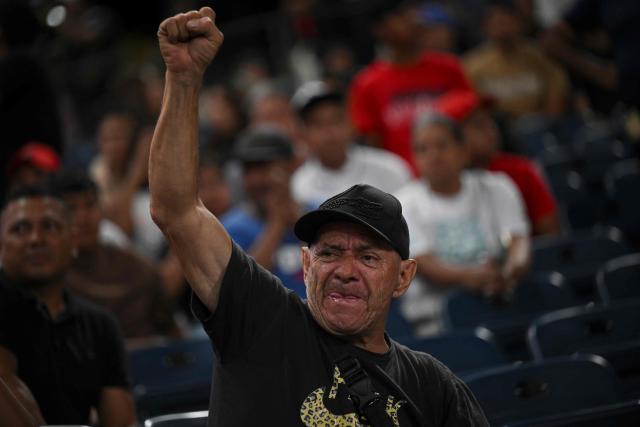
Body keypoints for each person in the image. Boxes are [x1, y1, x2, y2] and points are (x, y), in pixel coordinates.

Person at [149, 7, 489, 426]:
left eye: (367, 257)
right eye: (329, 253)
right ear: (307, 263)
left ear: (403, 277)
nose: (345, 270)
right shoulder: (261, 320)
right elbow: (176, 210)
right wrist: (183, 81)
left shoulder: (434, 386)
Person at [0, 185, 136, 426]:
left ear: (73, 242)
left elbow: (121, 423)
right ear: (1, 246)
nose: (36, 239)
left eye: (50, 226)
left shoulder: (99, 325)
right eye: (20, 229)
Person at [395, 112, 531, 335]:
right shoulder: (402, 204)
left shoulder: (498, 187)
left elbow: (519, 242)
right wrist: (476, 277)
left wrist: (510, 271)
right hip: (437, 321)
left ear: (463, 151)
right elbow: (425, 263)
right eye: (422, 149)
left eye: (442, 145)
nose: (433, 155)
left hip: (502, 300)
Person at [49, 171, 180, 341]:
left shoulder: (133, 265)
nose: (83, 217)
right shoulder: (49, 277)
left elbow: (170, 328)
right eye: (71, 208)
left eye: (90, 205)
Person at [348, 0, 472, 174]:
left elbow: (470, 123)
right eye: (401, 16)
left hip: (455, 176)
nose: (413, 20)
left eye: (412, 13)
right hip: (403, 185)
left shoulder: (449, 68)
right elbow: (374, 147)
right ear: (380, 29)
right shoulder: (367, 84)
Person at [436, 89, 561, 235]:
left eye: (490, 121)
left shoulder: (521, 170)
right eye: (478, 125)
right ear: (452, 137)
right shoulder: (438, 183)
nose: (491, 130)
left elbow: (552, 236)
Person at [291, 80, 412, 208]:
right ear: (303, 133)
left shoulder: (389, 168)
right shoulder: (299, 186)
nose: (329, 131)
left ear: (351, 123)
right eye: (318, 124)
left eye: (336, 120)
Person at [219, 126, 307, 297]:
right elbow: (244, 288)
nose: (256, 179)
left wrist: (301, 223)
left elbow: (334, 266)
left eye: (265, 167)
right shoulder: (231, 227)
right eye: (249, 170)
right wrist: (277, 223)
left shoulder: (319, 212)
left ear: (291, 166)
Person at [463, 0, 569, 119]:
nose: (503, 28)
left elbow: (556, 91)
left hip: (539, 125)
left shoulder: (540, 57)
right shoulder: (473, 65)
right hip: (498, 128)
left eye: (507, 21)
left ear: (519, 23)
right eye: (497, 23)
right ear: (485, 27)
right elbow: (470, 104)